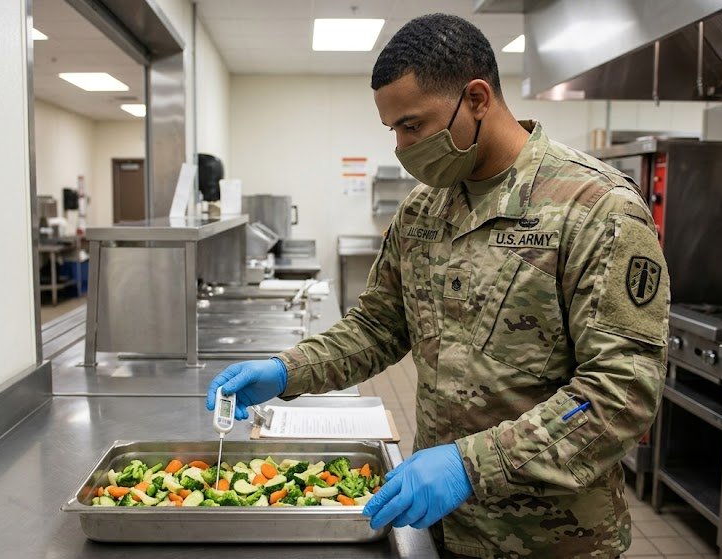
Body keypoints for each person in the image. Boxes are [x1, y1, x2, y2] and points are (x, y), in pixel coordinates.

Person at [207, 13, 669, 559]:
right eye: (393, 131)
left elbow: (621, 394)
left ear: (476, 99)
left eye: (413, 125)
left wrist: (470, 464)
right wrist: (288, 371)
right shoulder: (425, 209)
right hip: (440, 527)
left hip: (553, 540)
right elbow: (379, 326)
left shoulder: (595, 209)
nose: (402, 148)